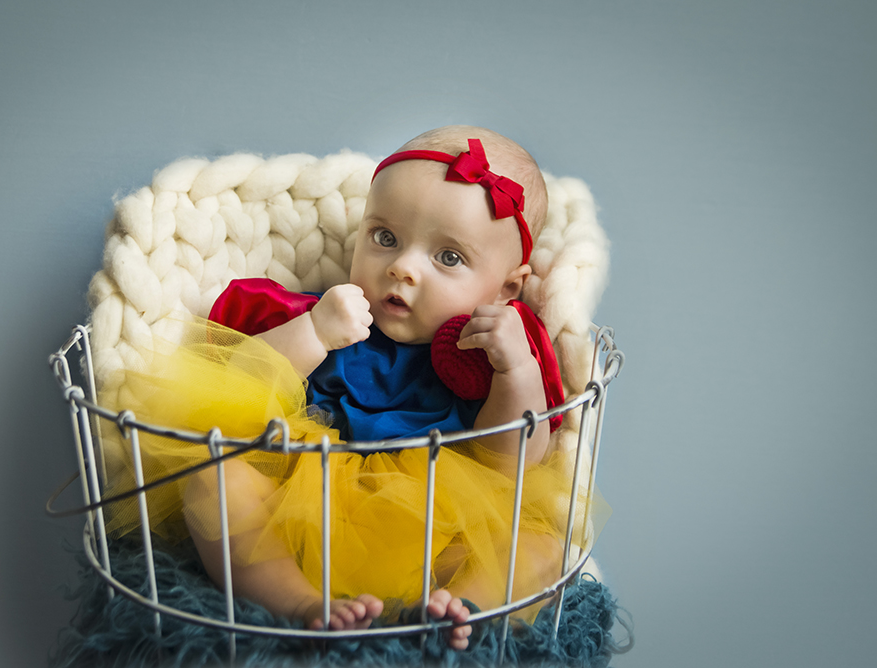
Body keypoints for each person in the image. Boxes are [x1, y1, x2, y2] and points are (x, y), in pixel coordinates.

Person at [104, 126, 592, 651]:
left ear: (506, 288)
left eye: (448, 258)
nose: (402, 267)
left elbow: (512, 464)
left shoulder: (494, 354)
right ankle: (298, 602)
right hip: (303, 516)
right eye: (385, 238)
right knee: (214, 480)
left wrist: (514, 371)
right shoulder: (328, 315)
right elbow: (238, 388)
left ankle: (459, 608)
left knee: (542, 545)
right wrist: (311, 332)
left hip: (439, 536)